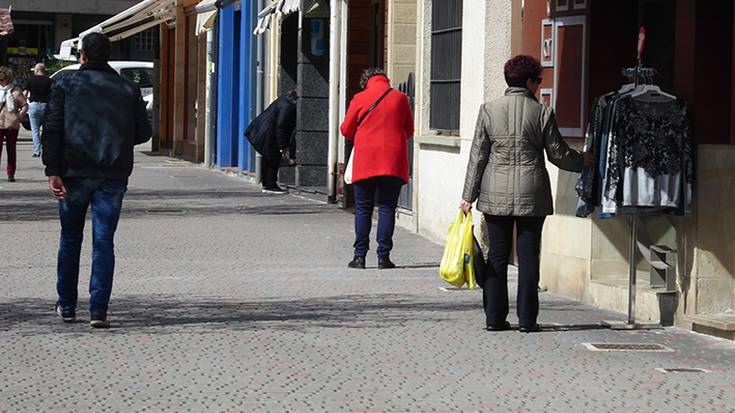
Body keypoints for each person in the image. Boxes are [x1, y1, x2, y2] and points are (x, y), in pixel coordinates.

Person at [460, 55, 594, 333]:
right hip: (532, 192)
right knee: (529, 256)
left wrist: (467, 196)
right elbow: (557, 154)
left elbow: (478, 156)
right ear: (530, 81)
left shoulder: (488, 110)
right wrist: (583, 160)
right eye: (538, 81)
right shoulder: (542, 112)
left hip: (494, 192)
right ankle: (527, 320)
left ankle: (494, 319)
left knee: (496, 255)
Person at [42, 32, 152, 328]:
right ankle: (98, 310)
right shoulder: (127, 88)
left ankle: (66, 306)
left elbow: (51, 128)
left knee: (70, 238)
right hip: (111, 174)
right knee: (103, 241)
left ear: (83, 55)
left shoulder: (64, 83)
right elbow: (143, 134)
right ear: (109, 54)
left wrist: (52, 169)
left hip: (73, 172)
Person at [340, 68, 413, 270]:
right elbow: (409, 130)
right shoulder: (401, 98)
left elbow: (346, 129)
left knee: (363, 208)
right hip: (393, 161)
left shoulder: (359, 98)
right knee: (387, 207)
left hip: (366, 160)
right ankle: (384, 257)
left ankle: (359, 256)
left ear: (366, 82)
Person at [245, 90, 296, 193]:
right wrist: (282, 146)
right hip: (268, 134)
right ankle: (270, 185)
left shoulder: (283, 100)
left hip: (263, 131)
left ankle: (267, 184)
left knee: (267, 157)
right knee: (273, 158)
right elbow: (281, 126)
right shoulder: (287, 107)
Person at [0, 67, 28, 182]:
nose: (0, 82)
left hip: (12, 125)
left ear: (8, 79)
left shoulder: (16, 91)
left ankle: (11, 173)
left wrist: (20, 116)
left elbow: (25, 105)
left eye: (2, 80)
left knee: (11, 150)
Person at [24, 63, 53, 157]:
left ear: (36, 70)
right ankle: (46, 150)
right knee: (46, 129)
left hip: (33, 106)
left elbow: (25, 93)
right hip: (46, 106)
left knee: (35, 130)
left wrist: (22, 104)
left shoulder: (30, 79)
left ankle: (37, 151)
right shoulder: (49, 81)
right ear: (44, 70)